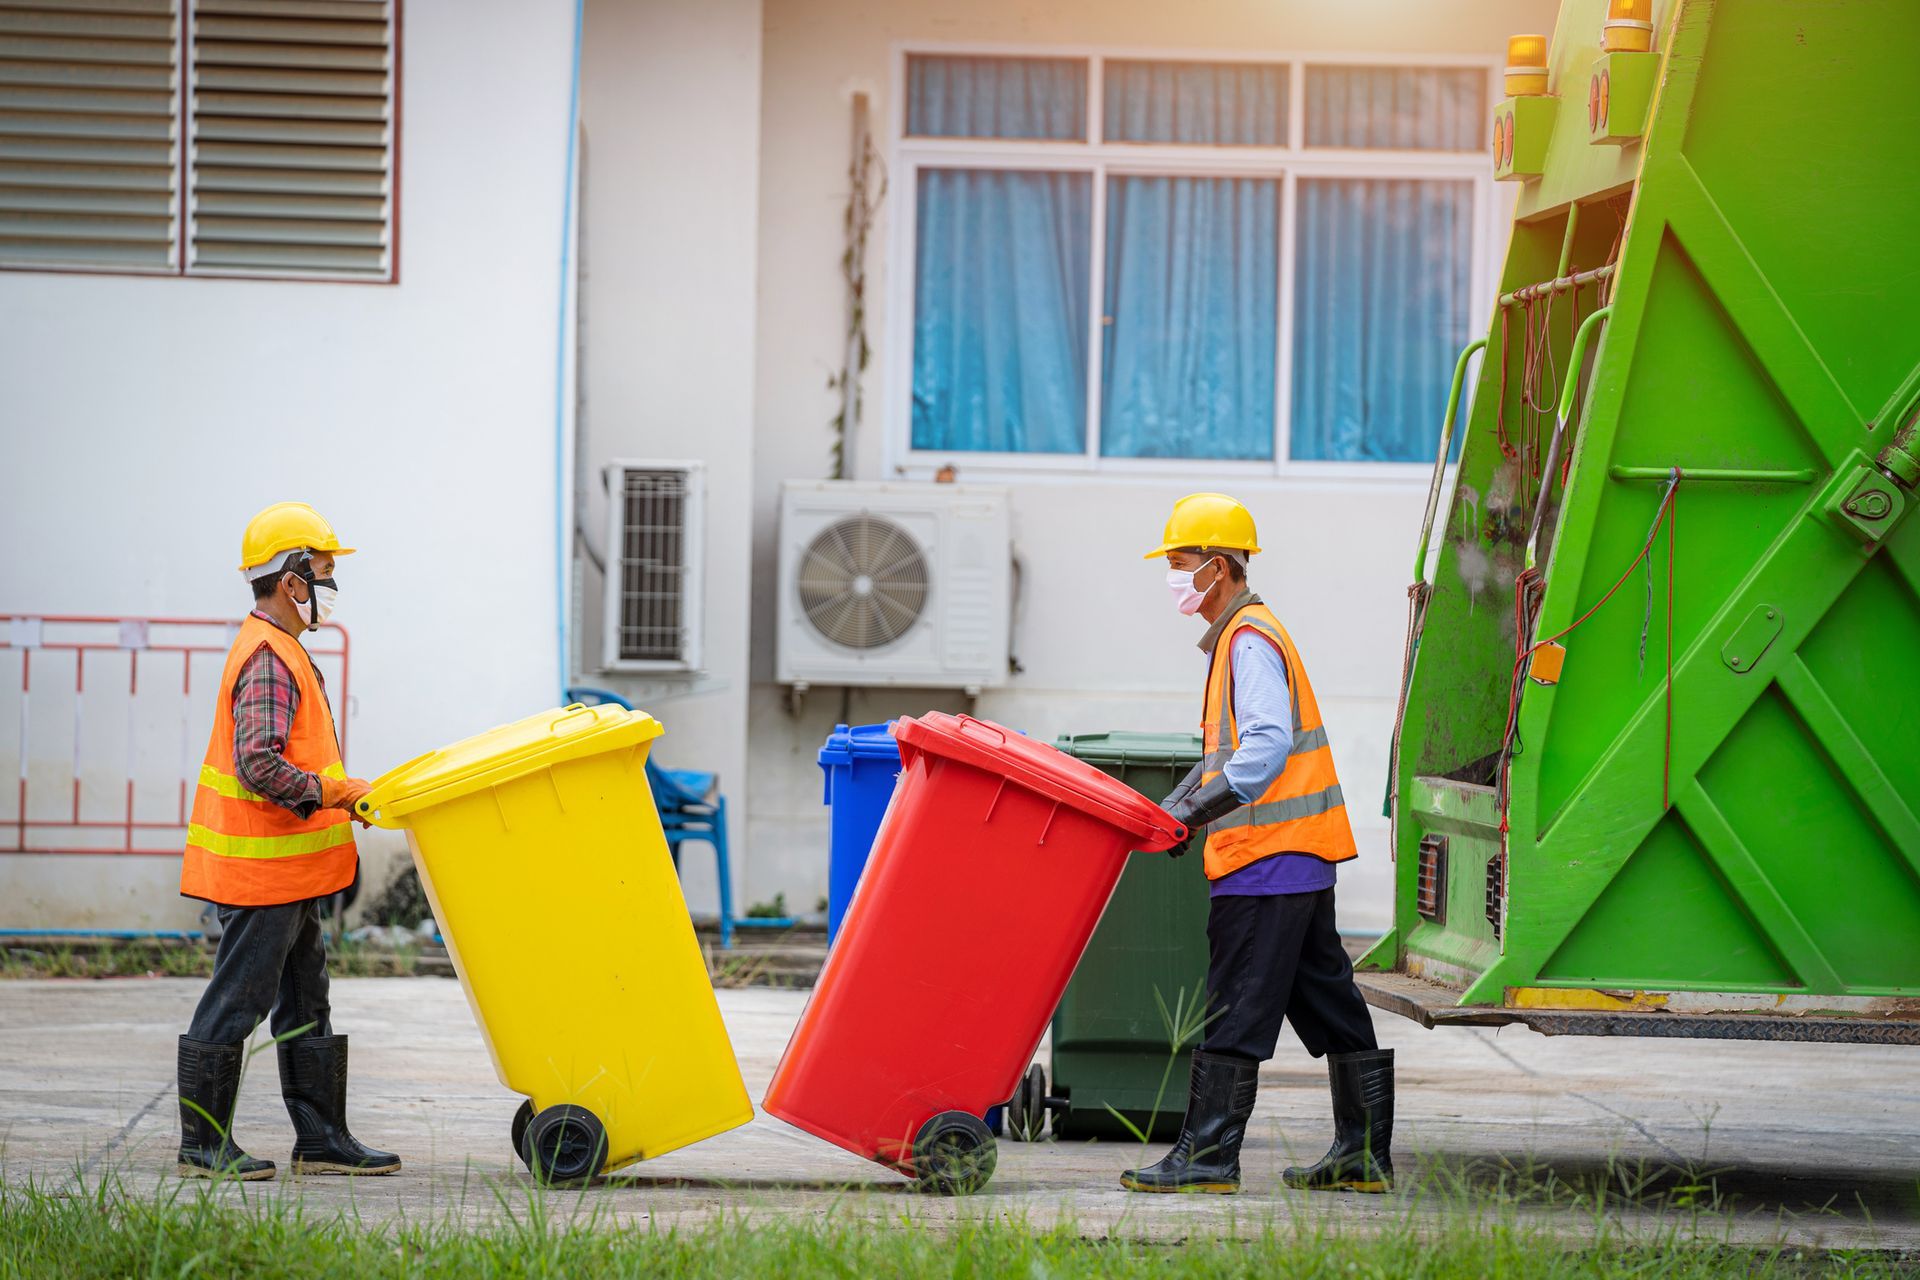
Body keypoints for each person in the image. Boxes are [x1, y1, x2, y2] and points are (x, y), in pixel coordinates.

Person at [1121, 492, 1393, 1196]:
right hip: (1296, 856)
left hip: (1265, 863)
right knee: (1330, 1004)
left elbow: (1266, 747)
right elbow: (1224, 755)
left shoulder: (1248, 639)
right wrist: (1176, 807)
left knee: (1234, 1007)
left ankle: (1209, 1158)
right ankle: (1362, 1157)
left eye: (1180, 563)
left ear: (1219, 567)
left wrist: (1199, 812)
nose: (1173, 578)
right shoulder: (1247, 634)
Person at [175, 502, 400, 1181]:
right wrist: (339, 793)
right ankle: (203, 1146)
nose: (330, 587)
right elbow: (260, 764)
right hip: (262, 873)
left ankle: (323, 1140)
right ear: (291, 578)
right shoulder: (269, 658)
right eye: (323, 572)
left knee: (307, 1003)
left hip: (293, 872)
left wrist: (340, 797)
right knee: (237, 1002)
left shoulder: (284, 650)